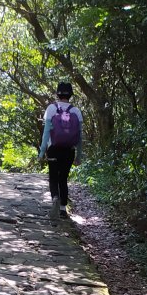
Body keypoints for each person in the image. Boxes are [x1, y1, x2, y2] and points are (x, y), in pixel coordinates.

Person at [38, 81, 83, 219]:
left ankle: (55, 198)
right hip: (69, 151)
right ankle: (63, 209)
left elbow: (46, 133)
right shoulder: (76, 111)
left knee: (53, 176)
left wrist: (41, 152)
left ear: (58, 94)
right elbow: (80, 137)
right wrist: (79, 156)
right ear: (70, 95)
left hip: (53, 150)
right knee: (63, 178)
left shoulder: (51, 109)